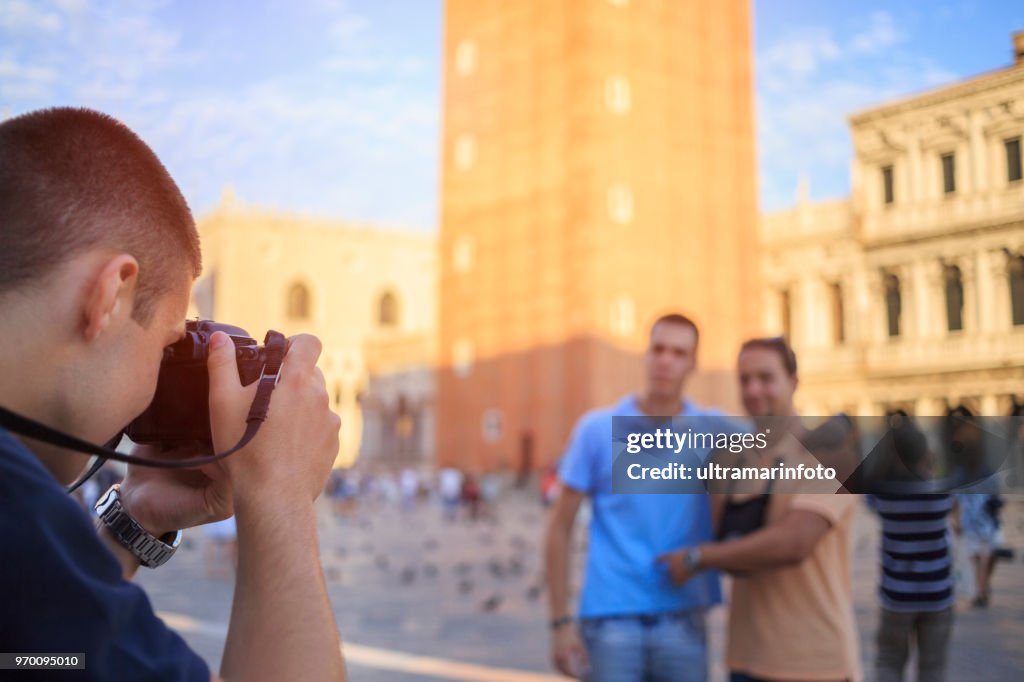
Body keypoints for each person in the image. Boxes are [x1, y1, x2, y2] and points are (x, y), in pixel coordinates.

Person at [0, 108, 345, 681]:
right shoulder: (15, 509)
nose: (153, 386)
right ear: (110, 295)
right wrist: (280, 492)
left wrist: (132, 522)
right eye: (166, 341)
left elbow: (36, 660)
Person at [659, 337, 861, 682]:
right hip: (745, 660)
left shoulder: (830, 454)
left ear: (793, 382)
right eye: (744, 379)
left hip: (813, 663)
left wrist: (698, 558)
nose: (753, 389)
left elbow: (793, 544)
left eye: (766, 378)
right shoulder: (737, 460)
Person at [544, 313, 725, 682]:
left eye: (678, 352)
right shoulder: (596, 429)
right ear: (645, 355)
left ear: (693, 363)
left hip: (684, 616)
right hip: (611, 619)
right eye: (658, 349)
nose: (666, 360)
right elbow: (559, 527)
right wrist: (560, 622)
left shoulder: (712, 432)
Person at [866, 414, 956, 682]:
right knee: (933, 669)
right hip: (937, 593)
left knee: (889, 661)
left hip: (897, 594)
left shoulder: (881, 495)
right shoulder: (941, 492)